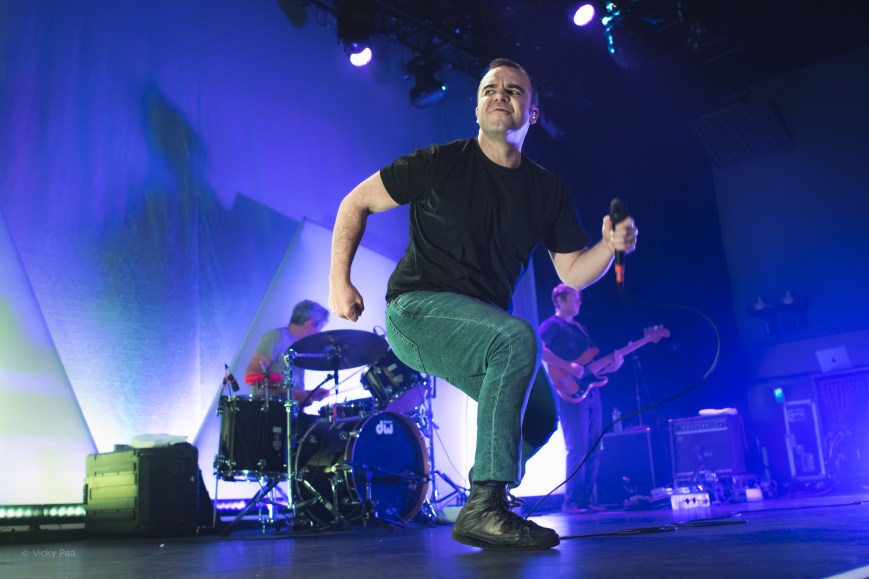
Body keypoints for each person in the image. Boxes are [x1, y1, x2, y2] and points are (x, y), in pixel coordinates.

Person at [329, 58, 637, 550]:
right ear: (476, 108)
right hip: (415, 312)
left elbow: (573, 271)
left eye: (514, 90)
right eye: (490, 88)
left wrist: (609, 246)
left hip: (481, 327)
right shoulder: (439, 162)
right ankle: (486, 505)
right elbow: (355, 202)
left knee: (539, 416)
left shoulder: (546, 189)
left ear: (531, 113)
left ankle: (488, 499)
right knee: (516, 338)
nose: (500, 95)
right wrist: (339, 281)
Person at [539, 284, 624, 514]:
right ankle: (572, 501)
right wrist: (567, 366)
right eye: (575, 298)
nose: (579, 302)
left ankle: (586, 500)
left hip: (591, 391)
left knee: (595, 445)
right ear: (560, 300)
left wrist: (612, 366)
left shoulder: (580, 328)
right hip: (568, 390)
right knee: (577, 447)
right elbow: (539, 348)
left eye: (579, 298)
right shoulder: (551, 325)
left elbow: (590, 366)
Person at [243, 299, 331, 410]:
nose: (319, 333)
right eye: (320, 328)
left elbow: (291, 388)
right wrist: (294, 393)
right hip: (268, 411)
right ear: (311, 323)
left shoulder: (301, 346)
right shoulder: (276, 337)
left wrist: (309, 394)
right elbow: (251, 374)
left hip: (291, 412)